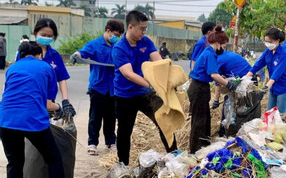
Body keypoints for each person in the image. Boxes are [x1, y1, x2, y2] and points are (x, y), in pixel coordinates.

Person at [0, 41, 67, 178]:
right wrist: (61, 107)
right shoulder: (46, 68)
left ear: (20, 55)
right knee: (53, 159)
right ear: (40, 55)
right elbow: (48, 104)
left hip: (6, 121)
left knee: (14, 163)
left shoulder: (12, 68)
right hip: (33, 121)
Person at [112, 10, 177, 166]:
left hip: (145, 94)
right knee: (124, 132)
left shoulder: (146, 42)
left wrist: (168, 79)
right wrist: (151, 84)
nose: (144, 31)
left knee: (164, 122)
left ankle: (174, 157)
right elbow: (128, 74)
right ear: (130, 27)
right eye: (141, 28)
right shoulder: (119, 48)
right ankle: (123, 166)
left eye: (145, 28)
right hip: (125, 95)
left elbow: (158, 62)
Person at [70, 20, 124, 155]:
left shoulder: (118, 47)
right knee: (95, 117)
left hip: (113, 88)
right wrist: (76, 55)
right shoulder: (94, 45)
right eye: (115, 34)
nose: (116, 37)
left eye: (118, 35)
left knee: (111, 117)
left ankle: (111, 142)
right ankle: (92, 143)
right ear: (108, 31)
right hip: (98, 86)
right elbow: (82, 52)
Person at [188, 25, 239, 154]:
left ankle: (204, 145)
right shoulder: (209, 54)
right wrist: (228, 84)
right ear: (218, 43)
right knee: (198, 121)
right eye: (224, 45)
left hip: (202, 87)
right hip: (198, 88)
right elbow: (214, 75)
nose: (224, 48)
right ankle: (195, 150)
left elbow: (215, 73)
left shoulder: (210, 53)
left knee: (205, 119)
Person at [31, 18, 76, 118]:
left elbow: (62, 78)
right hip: (29, 101)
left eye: (50, 36)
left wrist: (65, 101)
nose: (46, 37)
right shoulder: (25, 52)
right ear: (35, 32)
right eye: (43, 35)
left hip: (50, 104)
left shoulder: (55, 55)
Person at [245, 28, 286, 113]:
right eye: (266, 41)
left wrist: (265, 88)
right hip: (273, 87)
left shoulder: (284, 54)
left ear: (277, 40)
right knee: (269, 112)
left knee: (280, 114)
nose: (267, 44)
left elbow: (277, 73)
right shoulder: (268, 51)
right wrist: (246, 77)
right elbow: (258, 64)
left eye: (270, 42)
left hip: (284, 87)